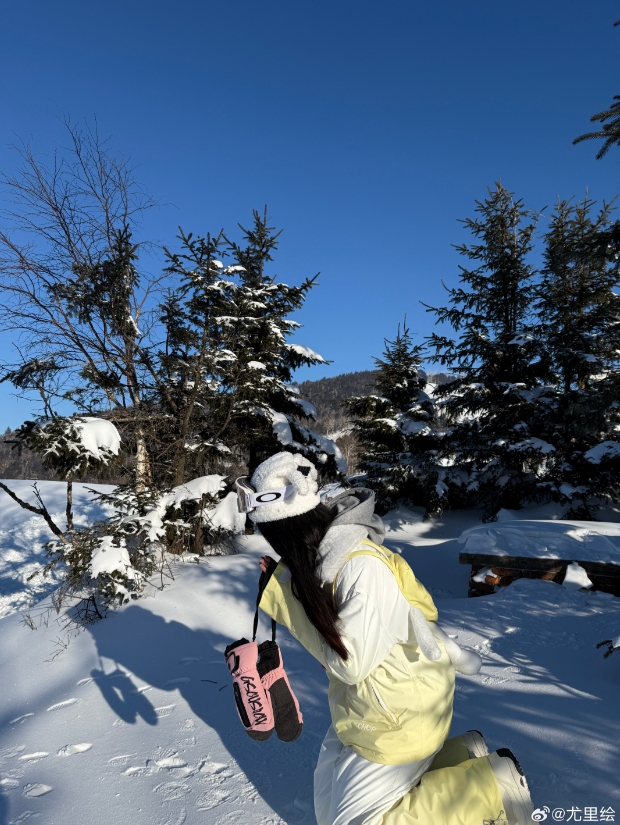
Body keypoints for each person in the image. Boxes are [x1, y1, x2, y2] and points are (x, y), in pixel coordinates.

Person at [238, 451, 534, 825]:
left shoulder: (360, 567)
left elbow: (350, 663)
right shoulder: (328, 559)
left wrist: (285, 599)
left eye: (275, 539)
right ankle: (459, 760)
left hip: (399, 716)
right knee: (328, 811)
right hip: (368, 707)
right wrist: (289, 588)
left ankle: (491, 787)